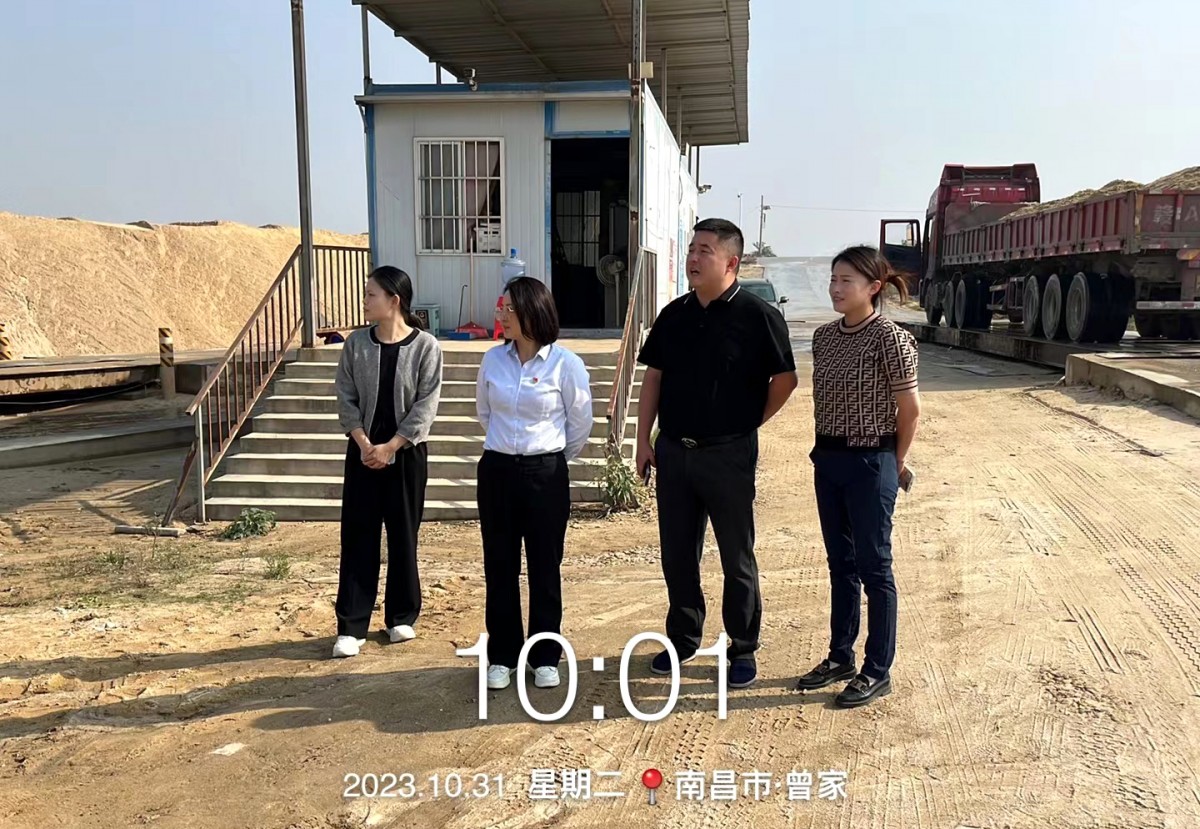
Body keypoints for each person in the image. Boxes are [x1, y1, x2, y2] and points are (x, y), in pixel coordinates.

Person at [635, 218, 798, 690]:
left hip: (728, 455)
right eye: (692, 249)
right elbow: (653, 378)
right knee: (677, 554)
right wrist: (643, 440)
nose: (693, 258)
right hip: (674, 453)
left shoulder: (757, 316)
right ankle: (683, 639)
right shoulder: (674, 315)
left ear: (731, 262)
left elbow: (785, 380)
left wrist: (747, 423)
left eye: (704, 250)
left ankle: (742, 646)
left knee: (736, 556)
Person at [793, 244, 921, 707]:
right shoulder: (824, 337)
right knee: (840, 564)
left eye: (846, 280)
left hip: (871, 461)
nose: (836, 288)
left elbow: (910, 410)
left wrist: (894, 462)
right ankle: (840, 656)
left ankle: (877, 669)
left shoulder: (890, 338)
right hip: (829, 461)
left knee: (874, 567)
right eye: (833, 279)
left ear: (873, 287)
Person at [475, 276, 594, 690]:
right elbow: (485, 414)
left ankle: (545, 656)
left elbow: (579, 424)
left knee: (545, 567)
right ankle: (503, 655)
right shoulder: (493, 360)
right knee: (500, 565)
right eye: (502, 307)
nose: (502, 315)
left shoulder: (566, 364)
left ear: (532, 312)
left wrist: (549, 458)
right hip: (497, 471)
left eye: (510, 308)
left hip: (546, 474)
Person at [331, 266, 443, 658]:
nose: (365, 301)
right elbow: (345, 395)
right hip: (362, 453)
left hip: (406, 454)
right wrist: (365, 443)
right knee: (358, 536)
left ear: (394, 300)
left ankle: (401, 616)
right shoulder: (356, 344)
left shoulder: (426, 346)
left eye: (371, 295)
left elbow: (426, 405)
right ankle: (351, 625)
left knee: (403, 534)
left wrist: (391, 447)